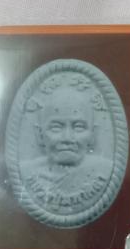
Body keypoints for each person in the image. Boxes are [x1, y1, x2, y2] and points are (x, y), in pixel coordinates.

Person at [20, 85, 112, 213]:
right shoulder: (25, 172)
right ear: (39, 135)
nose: (67, 138)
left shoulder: (106, 171)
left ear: (93, 134)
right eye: (56, 127)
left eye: (78, 127)